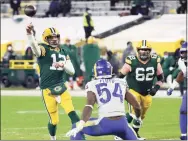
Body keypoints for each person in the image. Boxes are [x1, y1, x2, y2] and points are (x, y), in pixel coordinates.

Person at [26, 24, 85, 140]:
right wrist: (29, 35)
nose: (54, 39)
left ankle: (80, 137)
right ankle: (53, 138)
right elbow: (34, 46)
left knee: (71, 112)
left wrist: (63, 65)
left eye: (56, 37)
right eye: (51, 37)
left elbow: (72, 71)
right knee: (54, 120)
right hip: (47, 89)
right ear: (45, 39)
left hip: (61, 86)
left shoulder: (63, 51)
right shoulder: (43, 49)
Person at [66, 59, 141, 140]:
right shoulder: (121, 82)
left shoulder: (92, 84)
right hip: (122, 124)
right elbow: (136, 106)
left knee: (75, 126)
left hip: (105, 123)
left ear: (96, 71)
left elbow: (89, 106)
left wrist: (81, 123)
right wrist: (137, 118)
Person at [117, 40, 164, 140]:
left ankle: (134, 134)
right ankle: (119, 133)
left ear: (150, 51)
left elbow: (161, 78)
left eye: (146, 50)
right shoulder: (131, 61)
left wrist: (156, 88)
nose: (144, 52)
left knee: (141, 116)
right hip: (133, 91)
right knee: (134, 112)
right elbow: (120, 76)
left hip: (147, 93)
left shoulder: (155, 61)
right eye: (142, 50)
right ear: (138, 51)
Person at [167, 42, 187, 140]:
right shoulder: (181, 61)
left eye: (186, 52)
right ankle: (184, 135)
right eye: (182, 52)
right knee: (183, 110)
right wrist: (172, 87)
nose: (184, 54)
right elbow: (182, 74)